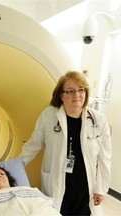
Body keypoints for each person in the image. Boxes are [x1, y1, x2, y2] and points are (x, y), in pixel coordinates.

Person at [19, 71, 112, 215]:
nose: (77, 95)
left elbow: (105, 157)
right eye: (70, 91)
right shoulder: (48, 115)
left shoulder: (98, 119)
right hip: (57, 184)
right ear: (61, 95)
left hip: (85, 186)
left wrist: (101, 188)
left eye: (81, 90)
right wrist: (10, 167)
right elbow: (32, 146)